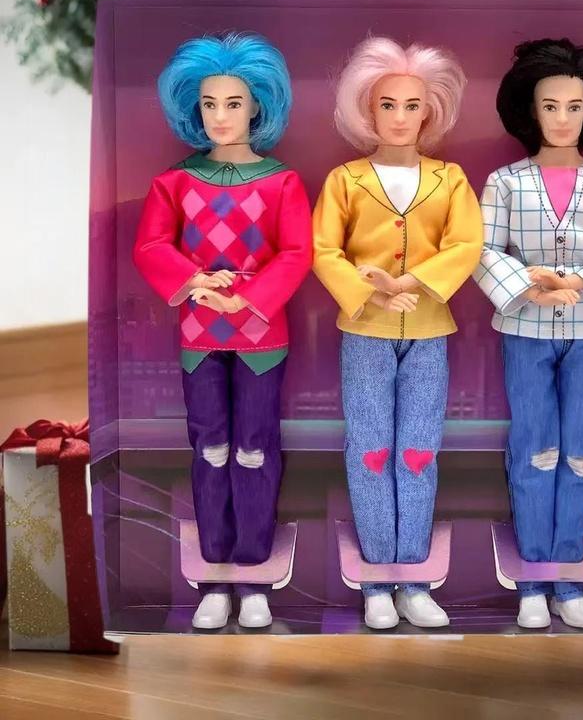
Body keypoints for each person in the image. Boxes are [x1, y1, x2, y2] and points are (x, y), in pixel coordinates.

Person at [133, 33, 312, 630]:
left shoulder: (283, 181)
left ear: (258, 105)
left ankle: (254, 572)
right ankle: (214, 572)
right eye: (209, 103)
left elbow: (296, 253)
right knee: (209, 447)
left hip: (263, 335)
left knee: (255, 448)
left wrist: (246, 296)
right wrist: (196, 281)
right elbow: (151, 246)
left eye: (233, 103)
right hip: (199, 333)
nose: (220, 116)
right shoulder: (175, 182)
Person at [474, 38, 583, 629]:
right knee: (532, 448)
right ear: (531, 109)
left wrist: (577, 281)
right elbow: (482, 250)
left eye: (574, 106)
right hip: (523, 329)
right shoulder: (505, 181)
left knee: (579, 452)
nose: (563, 118)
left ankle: (569, 580)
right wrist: (531, 285)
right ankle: (531, 579)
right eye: (551, 106)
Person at [312, 36, 483, 630]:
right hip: (364, 329)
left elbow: (466, 244)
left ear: (430, 109)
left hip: (430, 328)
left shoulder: (450, 178)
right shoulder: (345, 179)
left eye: (412, 105)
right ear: (367, 108)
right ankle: (375, 580)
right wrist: (374, 291)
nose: (401, 117)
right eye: (388, 104)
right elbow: (324, 250)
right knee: (370, 451)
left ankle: (414, 578)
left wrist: (411, 281)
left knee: (418, 453)